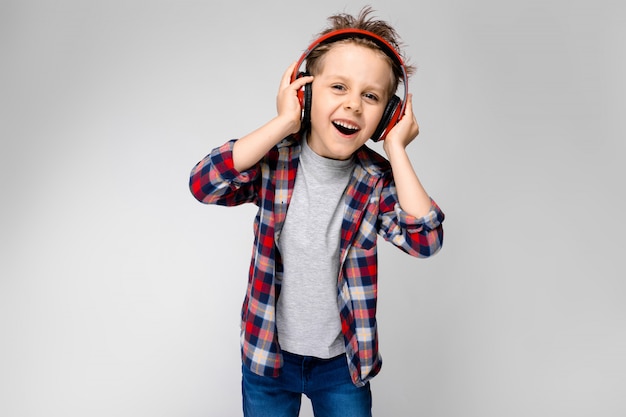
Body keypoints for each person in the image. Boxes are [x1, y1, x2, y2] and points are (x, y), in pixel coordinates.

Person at [189, 6, 444, 417]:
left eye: (372, 96)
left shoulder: (376, 181)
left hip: (341, 366)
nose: (354, 106)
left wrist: (395, 149)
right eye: (338, 87)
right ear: (305, 93)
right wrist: (283, 123)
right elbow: (204, 184)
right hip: (268, 357)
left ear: (388, 116)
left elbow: (425, 240)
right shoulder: (274, 161)